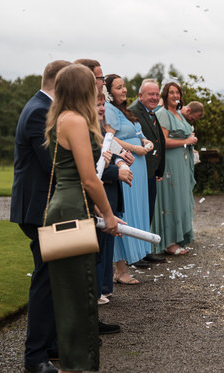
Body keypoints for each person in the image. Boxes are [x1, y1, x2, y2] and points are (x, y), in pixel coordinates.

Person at [42, 63, 120, 372]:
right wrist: (110, 215)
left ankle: (73, 365)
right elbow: (89, 179)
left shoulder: (62, 118)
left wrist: (104, 213)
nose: (99, 89)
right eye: (95, 85)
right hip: (73, 209)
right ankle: (76, 366)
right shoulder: (74, 121)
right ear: (83, 89)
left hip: (68, 206)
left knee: (73, 294)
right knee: (79, 294)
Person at [11, 60, 70, 373]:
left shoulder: (45, 109)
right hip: (39, 208)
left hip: (50, 206)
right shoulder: (39, 111)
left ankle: (51, 344)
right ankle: (34, 357)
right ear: (60, 82)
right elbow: (53, 166)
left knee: (56, 276)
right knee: (45, 279)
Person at [104, 74, 151, 285]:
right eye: (119, 87)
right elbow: (109, 138)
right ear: (109, 91)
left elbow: (137, 133)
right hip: (127, 163)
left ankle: (123, 267)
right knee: (125, 216)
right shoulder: (110, 111)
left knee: (135, 214)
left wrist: (145, 141)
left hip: (138, 166)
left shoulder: (124, 110)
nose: (124, 90)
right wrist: (133, 148)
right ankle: (120, 269)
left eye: (124, 87)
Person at [94, 90, 131, 305]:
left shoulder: (101, 129)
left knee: (106, 247)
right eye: (99, 104)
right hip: (100, 190)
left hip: (109, 189)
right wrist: (116, 170)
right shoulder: (85, 130)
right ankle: (96, 291)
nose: (103, 108)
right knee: (97, 246)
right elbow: (90, 168)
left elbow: (110, 151)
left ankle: (104, 288)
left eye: (103, 104)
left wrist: (119, 161)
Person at [153, 82, 199, 255]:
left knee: (180, 198)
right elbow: (162, 141)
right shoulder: (163, 114)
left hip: (182, 162)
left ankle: (180, 236)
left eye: (177, 92)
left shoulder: (178, 113)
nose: (175, 95)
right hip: (170, 164)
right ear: (165, 95)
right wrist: (185, 142)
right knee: (171, 199)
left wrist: (189, 141)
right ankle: (169, 242)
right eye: (171, 92)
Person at [128, 78, 167, 265]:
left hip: (151, 170)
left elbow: (158, 140)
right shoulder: (133, 112)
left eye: (156, 94)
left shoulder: (151, 112)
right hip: (140, 169)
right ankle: (135, 255)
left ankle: (144, 250)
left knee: (148, 211)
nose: (154, 97)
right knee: (140, 211)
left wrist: (160, 168)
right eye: (150, 94)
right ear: (140, 95)